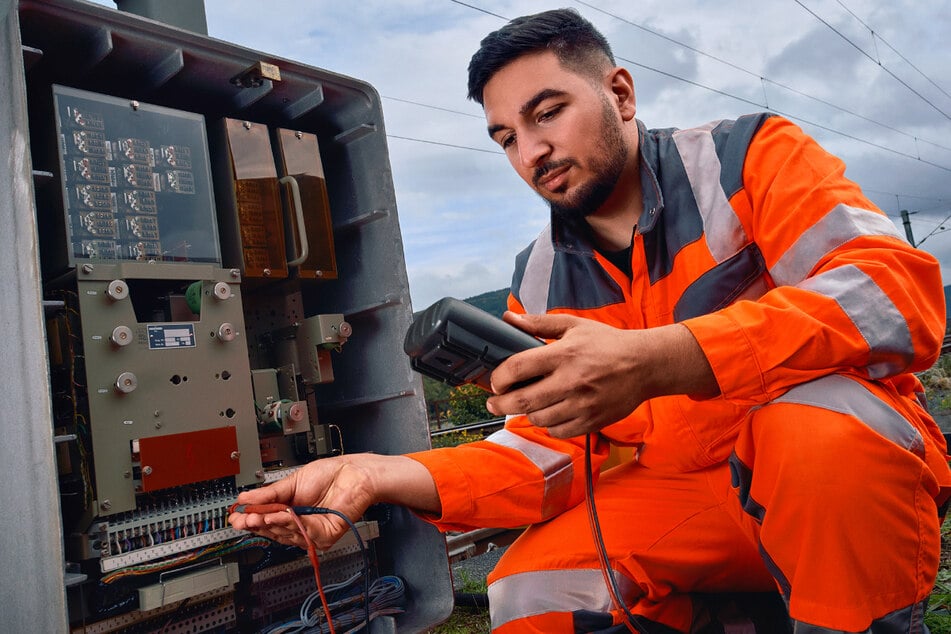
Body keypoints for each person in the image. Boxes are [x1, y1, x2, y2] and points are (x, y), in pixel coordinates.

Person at [230, 8, 951, 633]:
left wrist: (658, 359)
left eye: (547, 112)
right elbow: (543, 455)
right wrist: (381, 474)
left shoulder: (746, 157)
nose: (530, 151)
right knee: (533, 587)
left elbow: (891, 292)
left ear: (620, 92)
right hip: (693, 499)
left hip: (834, 481)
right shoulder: (538, 276)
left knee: (812, 429)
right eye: (505, 136)